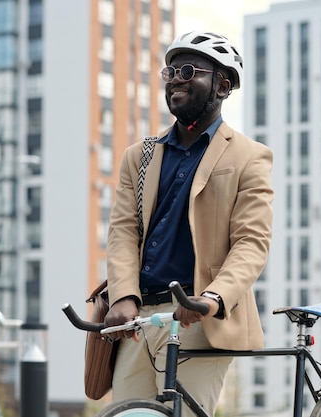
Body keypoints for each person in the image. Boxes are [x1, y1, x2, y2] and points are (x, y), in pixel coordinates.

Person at [104, 31, 274, 416]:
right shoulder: (141, 156)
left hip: (199, 318)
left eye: (188, 70)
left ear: (223, 85)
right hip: (140, 320)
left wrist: (213, 298)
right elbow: (123, 232)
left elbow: (251, 242)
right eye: (170, 71)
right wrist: (123, 296)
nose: (176, 78)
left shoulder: (250, 157)